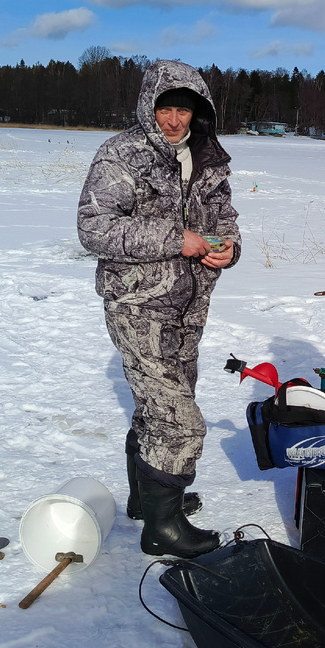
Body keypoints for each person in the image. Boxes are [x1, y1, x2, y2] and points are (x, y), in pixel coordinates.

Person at [77, 59, 240, 558]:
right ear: (149, 106)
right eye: (166, 108)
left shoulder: (208, 159)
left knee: (159, 408)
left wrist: (229, 248)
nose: (174, 120)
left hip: (190, 309)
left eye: (184, 109)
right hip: (137, 305)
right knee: (179, 421)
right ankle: (162, 529)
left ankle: (147, 502)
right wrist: (179, 239)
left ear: (199, 111)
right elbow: (94, 228)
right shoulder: (120, 155)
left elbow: (226, 219)